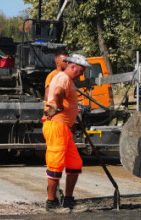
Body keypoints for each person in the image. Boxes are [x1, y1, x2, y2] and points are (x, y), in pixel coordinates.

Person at [43, 53, 91, 212]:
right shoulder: (63, 79)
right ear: (72, 67)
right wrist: (58, 107)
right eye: (80, 71)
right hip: (57, 127)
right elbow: (57, 93)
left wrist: (72, 121)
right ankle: (51, 203)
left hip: (64, 127)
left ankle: (68, 200)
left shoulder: (65, 79)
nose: (81, 74)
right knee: (56, 164)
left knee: (75, 163)